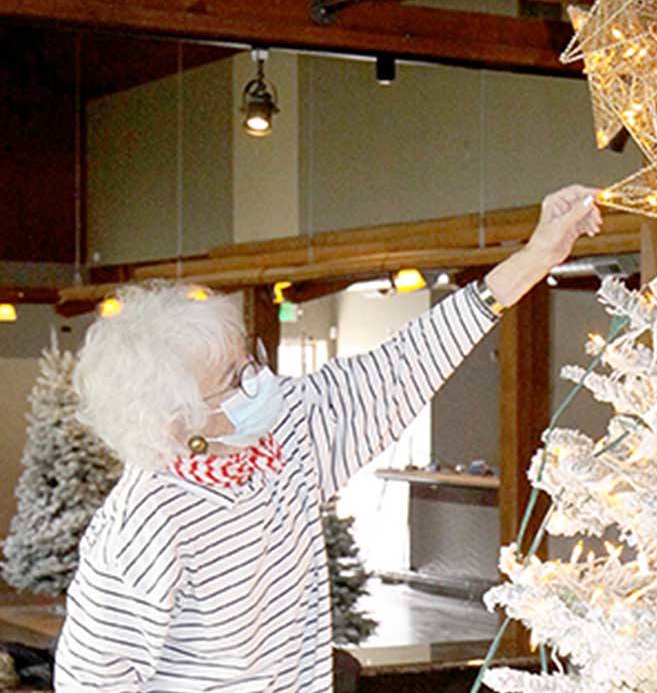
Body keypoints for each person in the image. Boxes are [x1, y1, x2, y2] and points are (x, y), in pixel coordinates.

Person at [54, 185, 603, 692]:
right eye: (234, 379)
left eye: (250, 359)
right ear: (179, 419)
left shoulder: (286, 435)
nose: (260, 380)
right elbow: (91, 679)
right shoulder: (147, 521)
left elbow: (405, 363)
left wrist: (537, 256)